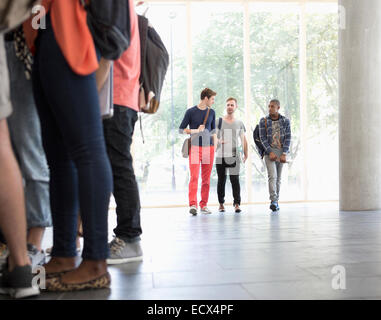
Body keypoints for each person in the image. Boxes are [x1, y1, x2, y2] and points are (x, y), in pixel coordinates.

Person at [24, 0, 113, 291]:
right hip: (43, 34)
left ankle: (96, 262)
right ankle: (63, 253)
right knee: (58, 157)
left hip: (70, 26)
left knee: (87, 150)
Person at [0, 27, 52, 268]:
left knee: (29, 148)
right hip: (13, 44)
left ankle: (34, 242)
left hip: (22, 48)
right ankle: (18, 246)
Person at [103, 0, 143, 265]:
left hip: (115, 96)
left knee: (118, 166)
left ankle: (129, 238)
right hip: (119, 97)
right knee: (112, 167)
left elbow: (108, 48)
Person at [0, 32, 40, 299]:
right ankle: (22, 263)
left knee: (25, 149)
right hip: (20, 45)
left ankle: (29, 252)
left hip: (22, 48)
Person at [179, 88, 217, 215]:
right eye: (212, 99)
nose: (213, 101)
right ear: (205, 98)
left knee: (206, 179)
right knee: (194, 177)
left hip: (209, 148)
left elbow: (213, 132)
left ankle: (204, 205)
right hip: (195, 148)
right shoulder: (190, 112)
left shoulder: (212, 112)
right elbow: (181, 129)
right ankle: (193, 204)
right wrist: (196, 131)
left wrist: (215, 146)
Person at [215, 97, 248, 213]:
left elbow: (243, 139)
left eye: (232, 105)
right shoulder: (218, 121)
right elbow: (213, 138)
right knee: (221, 180)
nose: (229, 107)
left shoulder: (239, 123)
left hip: (234, 155)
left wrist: (246, 154)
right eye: (228, 105)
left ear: (236, 107)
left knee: (235, 180)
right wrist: (219, 141)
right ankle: (221, 204)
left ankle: (237, 204)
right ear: (226, 106)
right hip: (220, 155)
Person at [259, 99, 291, 212]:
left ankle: (276, 202)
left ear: (278, 107)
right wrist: (269, 152)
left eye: (272, 106)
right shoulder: (263, 121)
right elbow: (262, 138)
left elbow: (288, 137)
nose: (270, 108)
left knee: (278, 178)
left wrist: (284, 153)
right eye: (269, 106)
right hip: (269, 152)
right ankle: (273, 200)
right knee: (272, 176)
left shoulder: (285, 121)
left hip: (281, 151)